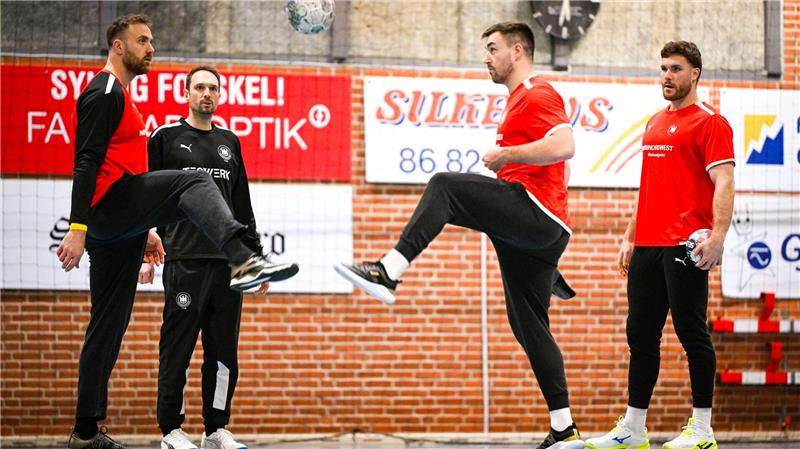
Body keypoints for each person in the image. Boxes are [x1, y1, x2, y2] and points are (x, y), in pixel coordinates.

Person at [335, 22, 582, 449]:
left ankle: (388, 271)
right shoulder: (517, 102)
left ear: (518, 51)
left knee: (445, 186)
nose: (486, 57)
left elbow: (565, 146)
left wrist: (508, 155)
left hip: (536, 214)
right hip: (537, 229)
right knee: (529, 327)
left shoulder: (538, 93)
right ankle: (565, 429)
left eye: (492, 49)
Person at [58, 15, 298, 449]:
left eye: (151, 41)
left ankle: (86, 431)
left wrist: (144, 228)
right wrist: (79, 226)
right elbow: (86, 162)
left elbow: (128, 169)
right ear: (117, 46)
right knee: (193, 181)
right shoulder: (105, 91)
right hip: (108, 211)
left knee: (108, 326)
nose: (151, 48)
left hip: (121, 223)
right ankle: (243, 259)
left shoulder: (127, 98)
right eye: (142, 41)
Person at [586, 41, 734, 449]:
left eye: (675, 69)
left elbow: (724, 181)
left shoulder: (711, 123)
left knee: (691, 334)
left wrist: (718, 236)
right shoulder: (653, 124)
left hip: (686, 244)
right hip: (648, 246)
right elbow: (648, 186)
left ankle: (702, 430)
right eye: (663, 68)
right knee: (640, 336)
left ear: (694, 74)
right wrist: (631, 236)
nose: (666, 76)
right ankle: (633, 431)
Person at [139, 65, 269, 449]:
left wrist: (254, 259)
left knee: (223, 351)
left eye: (213, 88)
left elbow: (241, 207)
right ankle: (171, 431)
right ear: (186, 92)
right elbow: (146, 198)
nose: (206, 94)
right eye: (199, 87)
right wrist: (144, 252)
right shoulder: (165, 137)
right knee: (177, 347)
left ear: (220, 94)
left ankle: (215, 430)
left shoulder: (231, 141)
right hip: (183, 258)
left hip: (227, 265)